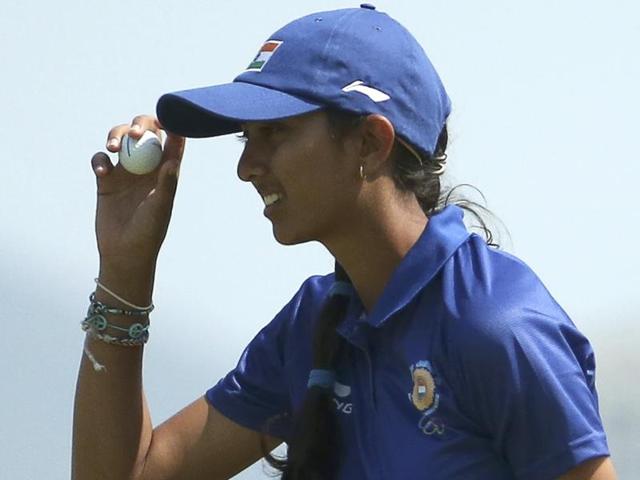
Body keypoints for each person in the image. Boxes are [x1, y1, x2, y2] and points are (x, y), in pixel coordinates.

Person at [72, 5, 616, 480]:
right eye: (246, 138)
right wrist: (125, 270)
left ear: (371, 142)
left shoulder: (496, 327)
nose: (245, 168)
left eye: (275, 133)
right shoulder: (313, 322)